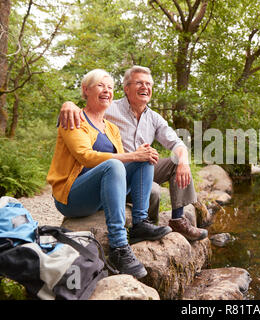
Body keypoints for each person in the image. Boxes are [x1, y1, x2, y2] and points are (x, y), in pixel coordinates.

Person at [47, 69, 172, 279]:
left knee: (146, 157)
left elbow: (126, 163)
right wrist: (67, 103)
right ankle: (118, 247)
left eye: (110, 87)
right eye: (100, 86)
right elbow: (85, 157)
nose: (106, 91)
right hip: (72, 196)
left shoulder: (111, 128)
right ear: (85, 90)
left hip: (99, 195)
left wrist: (139, 155)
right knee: (116, 164)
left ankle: (140, 223)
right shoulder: (75, 119)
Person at [59, 66, 208, 242]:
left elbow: (176, 142)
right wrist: (68, 105)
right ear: (126, 88)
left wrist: (184, 162)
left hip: (142, 168)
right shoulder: (109, 107)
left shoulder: (154, 118)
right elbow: (85, 111)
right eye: (139, 83)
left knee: (176, 160)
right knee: (153, 191)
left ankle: (177, 220)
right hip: (112, 169)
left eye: (148, 84)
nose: (144, 87)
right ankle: (142, 224)